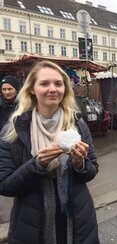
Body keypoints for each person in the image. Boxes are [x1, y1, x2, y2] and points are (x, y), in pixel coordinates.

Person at [0, 61, 99, 243]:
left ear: (65, 89)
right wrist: (37, 165)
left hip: (77, 219)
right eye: (44, 84)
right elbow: (5, 184)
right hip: (31, 224)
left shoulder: (77, 124)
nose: (52, 89)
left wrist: (80, 164)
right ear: (31, 89)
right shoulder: (14, 130)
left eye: (58, 84)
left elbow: (92, 171)